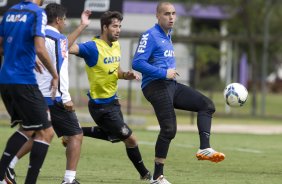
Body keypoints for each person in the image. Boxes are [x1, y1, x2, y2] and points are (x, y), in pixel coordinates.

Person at [132, 2, 225, 184]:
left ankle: (204, 148)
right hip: (155, 85)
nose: (171, 17)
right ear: (157, 15)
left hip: (171, 85)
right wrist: (163, 73)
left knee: (207, 105)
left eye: (173, 13)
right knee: (169, 129)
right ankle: (157, 177)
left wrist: (168, 75)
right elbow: (137, 63)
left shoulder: (168, 34)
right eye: (167, 14)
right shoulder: (150, 35)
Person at [3, 3, 92, 184]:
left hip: (27, 89)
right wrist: (65, 98)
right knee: (75, 134)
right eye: (65, 20)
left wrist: (82, 26)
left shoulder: (39, 34)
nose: (66, 23)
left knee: (35, 132)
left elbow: (64, 44)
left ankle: (9, 166)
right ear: (59, 20)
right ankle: (69, 179)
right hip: (53, 97)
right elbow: (59, 66)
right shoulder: (55, 38)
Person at [69, 11, 151, 181]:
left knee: (113, 136)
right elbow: (67, 47)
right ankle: (145, 174)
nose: (118, 29)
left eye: (120, 26)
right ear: (104, 27)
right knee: (131, 139)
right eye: (115, 26)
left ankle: (76, 132)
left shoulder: (116, 45)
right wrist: (81, 26)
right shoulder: (92, 47)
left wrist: (126, 75)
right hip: (100, 107)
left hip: (113, 102)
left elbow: (116, 72)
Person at [0, 0, 59, 184]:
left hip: (6, 81)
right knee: (46, 133)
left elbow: (1, 45)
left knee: (28, 128)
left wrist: (22, 54)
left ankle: (2, 174)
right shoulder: (37, 13)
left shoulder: (10, 12)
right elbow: (40, 48)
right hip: (24, 81)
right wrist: (54, 74)